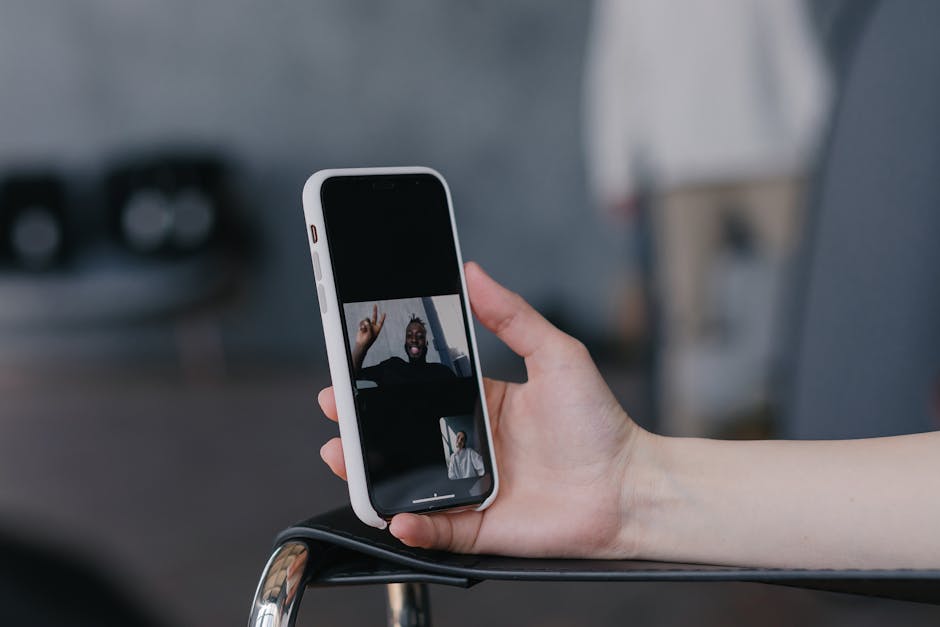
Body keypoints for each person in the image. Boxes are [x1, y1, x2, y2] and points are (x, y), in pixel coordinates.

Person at [319, 262, 940, 568]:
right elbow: (358, 378)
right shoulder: (396, 365)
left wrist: (629, 487)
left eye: (427, 336)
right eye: (417, 337)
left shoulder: (440, 367)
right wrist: (627, 484)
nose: (424, 342)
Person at [352, 307, 456, 386]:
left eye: (419, 336)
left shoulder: (442, 373)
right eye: (409, 336)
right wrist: (361, 346)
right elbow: (352, 378)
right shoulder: (391, 367)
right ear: (405, 344)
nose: (414, 340)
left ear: (426, 343)